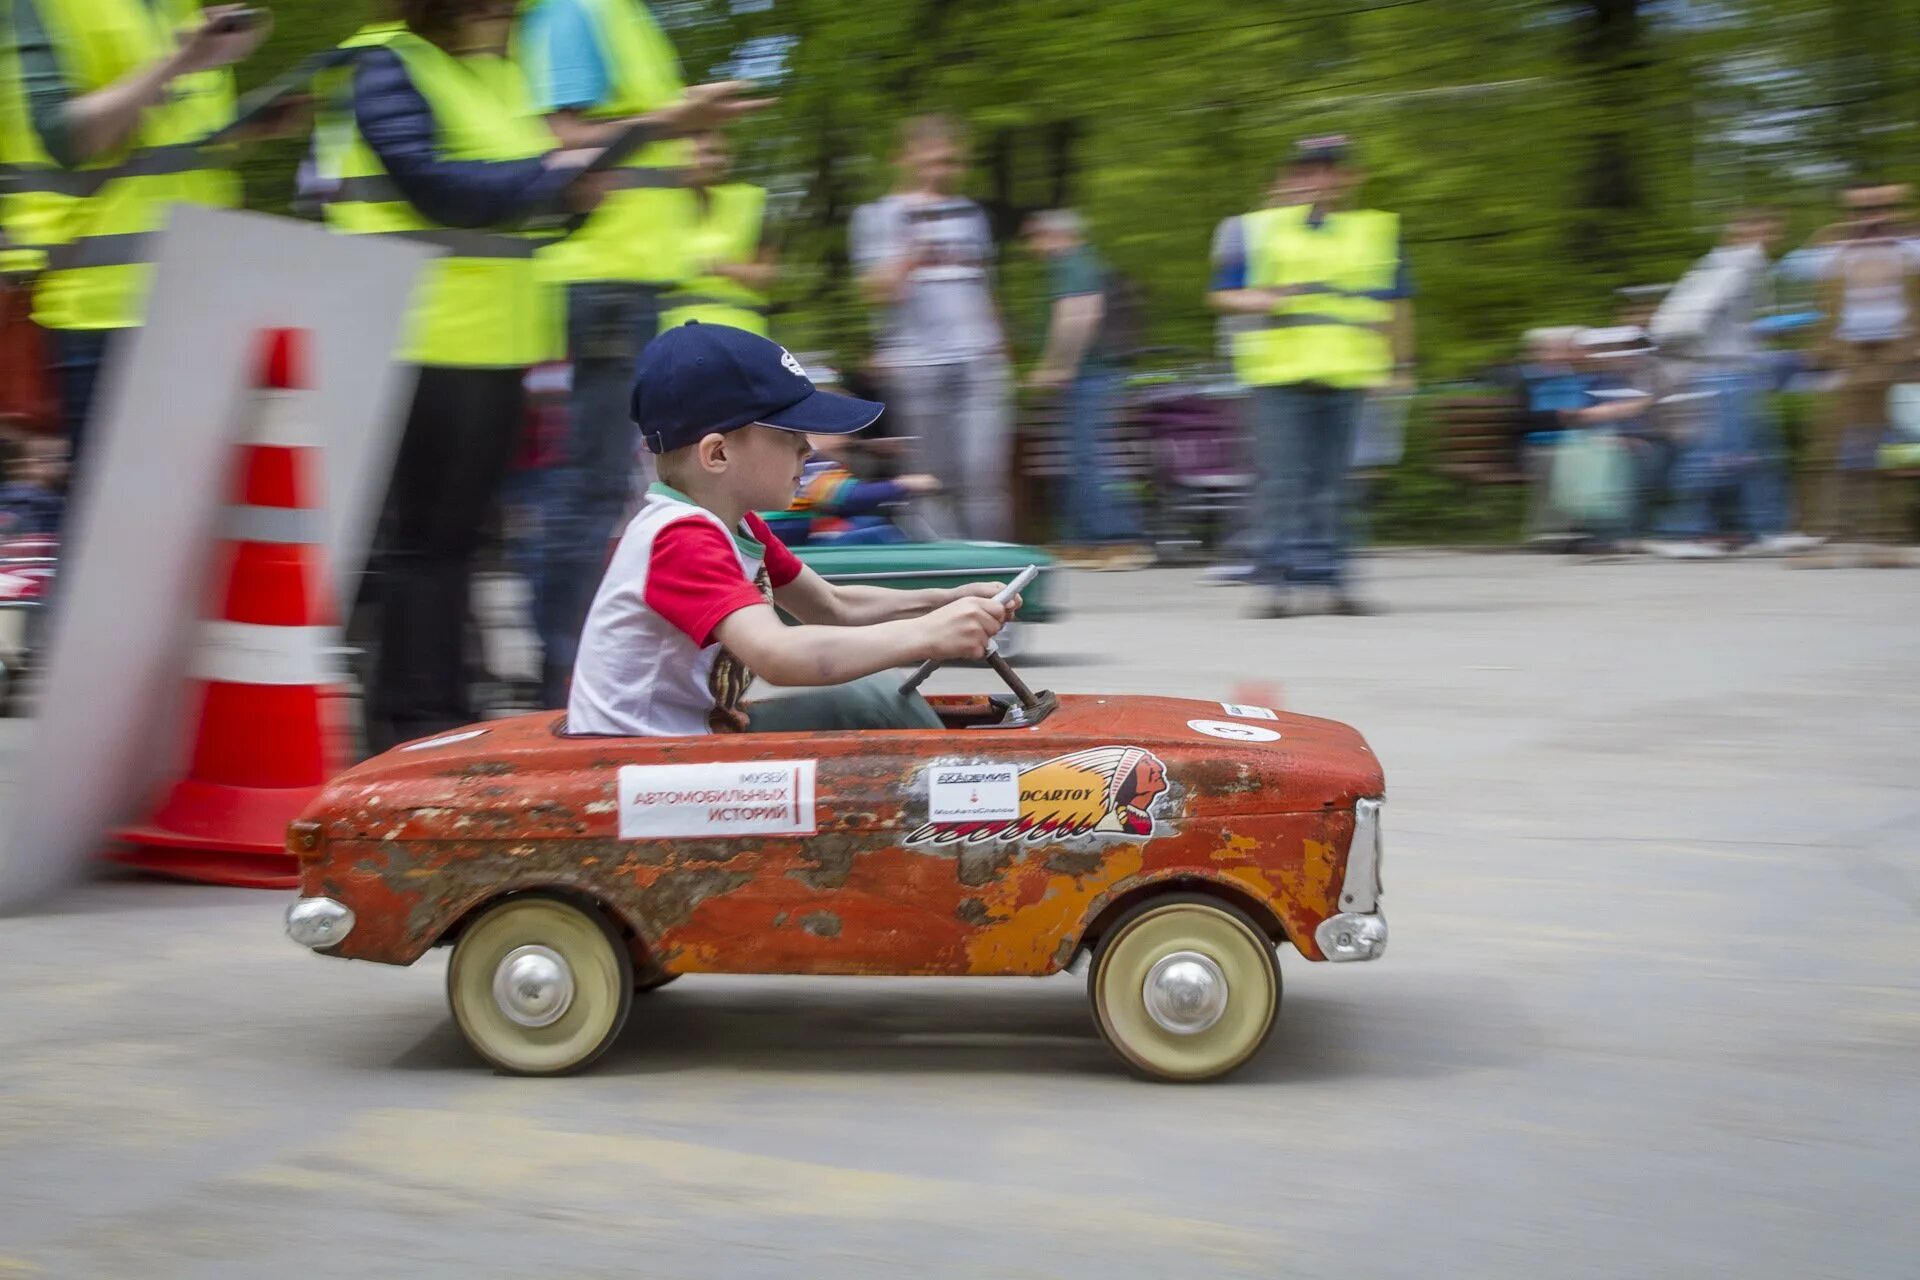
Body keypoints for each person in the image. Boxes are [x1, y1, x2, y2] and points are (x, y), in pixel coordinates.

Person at [316, 0, 603, 753]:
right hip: (416, 332)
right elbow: (433, 185)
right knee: (426, 544)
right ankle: (415, 721)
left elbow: (519, 201)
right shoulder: (383, 61)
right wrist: (550, 173)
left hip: (494, 340)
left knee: (462, 541)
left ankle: (439, 709)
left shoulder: (504, 75)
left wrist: (573, 193)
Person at [567, 321, 1020, 738]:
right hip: (637, 771)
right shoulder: (680, 538)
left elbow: (832, 605)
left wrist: (945, 602)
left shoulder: (736, 522)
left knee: (873, 697)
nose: (808, 446)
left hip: (689, 747)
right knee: (873, 702)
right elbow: (778, 655)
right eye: (789, 433)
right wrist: (927, 635)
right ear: (717, 454)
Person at [516, 0, 768, 709]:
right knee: (586, 491)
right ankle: (566, 685)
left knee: (606, 491)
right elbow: (568, 140)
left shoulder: (623, 15)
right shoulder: (574, 11)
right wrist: (677, 118)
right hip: (599, 275)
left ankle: (583, 676)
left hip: (628, 278)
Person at [1, 0, 263, 468]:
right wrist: (182, 61)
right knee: (117, 527)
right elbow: (66, 139)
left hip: (201, 298)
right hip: (106, 309)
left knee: (192, 517)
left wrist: (248, 127)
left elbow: (163, 146)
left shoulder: (180, 7)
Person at [1208, 134, 1413, 617]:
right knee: (1283, 482)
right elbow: (1222, 293)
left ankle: (1335, 582)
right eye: (1310, 170)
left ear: (1349, 177)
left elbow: (1396, 303)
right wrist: (1259, 299)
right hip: (1280, 375)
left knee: (1336, 483)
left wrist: (1400, 364)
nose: (1320, 179)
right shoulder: (1255, 229)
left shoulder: (1374, 231)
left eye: (1331, 169)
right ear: (1294, 177)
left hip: (1346, 373)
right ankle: (1276, 584)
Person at [850, 114, 1013, 541]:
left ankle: (991, 568)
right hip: (918, 364)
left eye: (952, 161)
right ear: (905, 158)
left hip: (977, 359)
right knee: (930, 476)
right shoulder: (879, 216)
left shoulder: (970, 214)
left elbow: (984, 284)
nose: (943, 169)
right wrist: (909, 256)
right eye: (934, 159)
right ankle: (948, 574)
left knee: (982, 471)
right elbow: (874, 290)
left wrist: (999, 345)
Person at [1646, 209, 1810, 558]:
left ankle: (1767, 529)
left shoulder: (1728, 265)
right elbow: (1701, 316)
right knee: (1716, 455)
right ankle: (1682, 532)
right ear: (1741, 231)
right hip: (1723, 373)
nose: (1770, 236)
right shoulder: (1737, 265)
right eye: (1763, 228)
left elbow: (1733, 322)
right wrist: (1701, 347)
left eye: (1773, 229)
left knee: (1755, 455)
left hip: (1736, 371)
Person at [1784, 183, 1920, 566]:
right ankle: (1821, 539)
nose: (1872, 217)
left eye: (1881, 208)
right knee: (1827, 447)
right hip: (1843, 358)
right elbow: (1791, 266)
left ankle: (1884, 541)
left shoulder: (1909, 249)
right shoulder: (1834, 251)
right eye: (1863, 211)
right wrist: (1833, 235)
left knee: (1888, 451)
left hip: (1895, 358)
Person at [1024, 208, 1151, 570]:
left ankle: (1116, 541)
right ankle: (1079, 541)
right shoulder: (1082, 263)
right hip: (1092, 376)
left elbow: (1079, 315)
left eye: (1036, 237)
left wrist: (1056, 366)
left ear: (1056, 234)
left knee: (1090, 459)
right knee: (1081, 458)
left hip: (1087, 377)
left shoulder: (1073, 264)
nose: (1033, 246)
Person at [657, 131, 777, 335]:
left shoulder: (749, 201)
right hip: (676, 334)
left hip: (741, 332)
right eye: (705, 153)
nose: (716, 160)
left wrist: (715, 267)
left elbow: (767, 274)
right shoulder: (657, 209)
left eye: (721, 153)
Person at [759, 433, 937, 547]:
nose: (845, 440)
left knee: (869, 524)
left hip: (794, 536)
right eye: (840, 432)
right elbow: (846, 496)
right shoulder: (809, 460)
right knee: (880, 535)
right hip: (784, 541)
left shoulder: (810, 459)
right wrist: (901, 485)